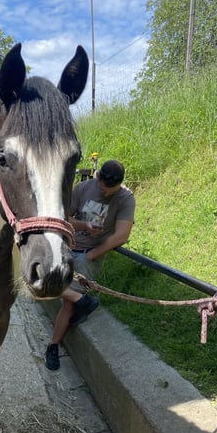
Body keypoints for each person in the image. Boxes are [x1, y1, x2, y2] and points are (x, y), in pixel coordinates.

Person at [45, 159, 136, 371]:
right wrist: (84, 225)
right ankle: (83, 300)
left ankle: (53, 346)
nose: (105, 194)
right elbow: (65, 218)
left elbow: (122, 234)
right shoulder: (82, 188)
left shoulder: (125, 198)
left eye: (110, 192)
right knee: (45, 279)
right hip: (68, 245)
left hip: (89, 255)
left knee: (68, 304)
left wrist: (92, 255)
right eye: (103, 190)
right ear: (97, 178)